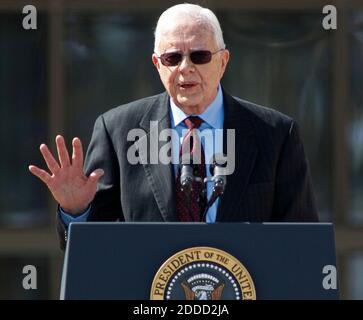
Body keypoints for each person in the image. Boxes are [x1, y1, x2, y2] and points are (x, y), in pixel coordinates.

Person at [29, 3, 319, 250]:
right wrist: (76, 211)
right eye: (172, 58)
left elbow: (301, 244)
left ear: (223, 62)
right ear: (157, 64)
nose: (185, 67)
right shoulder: (117, 129)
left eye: (199, 56)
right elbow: (93, 252)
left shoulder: (276, 133)